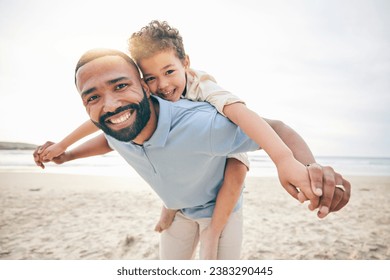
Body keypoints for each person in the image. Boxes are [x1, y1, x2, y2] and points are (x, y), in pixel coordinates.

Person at [37, 21, 320, 259]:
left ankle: (212, 234)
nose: (162, 85)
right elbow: (108, 130)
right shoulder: (133, 109)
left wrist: (290, 161)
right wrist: (65, 150)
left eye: (169, 72)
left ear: (185, 64)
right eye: (150, 78)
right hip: (184, 191)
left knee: (235, 170)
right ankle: (171, 204)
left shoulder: (203, 93)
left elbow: (248, 116)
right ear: (142, 81)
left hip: (226, 140)